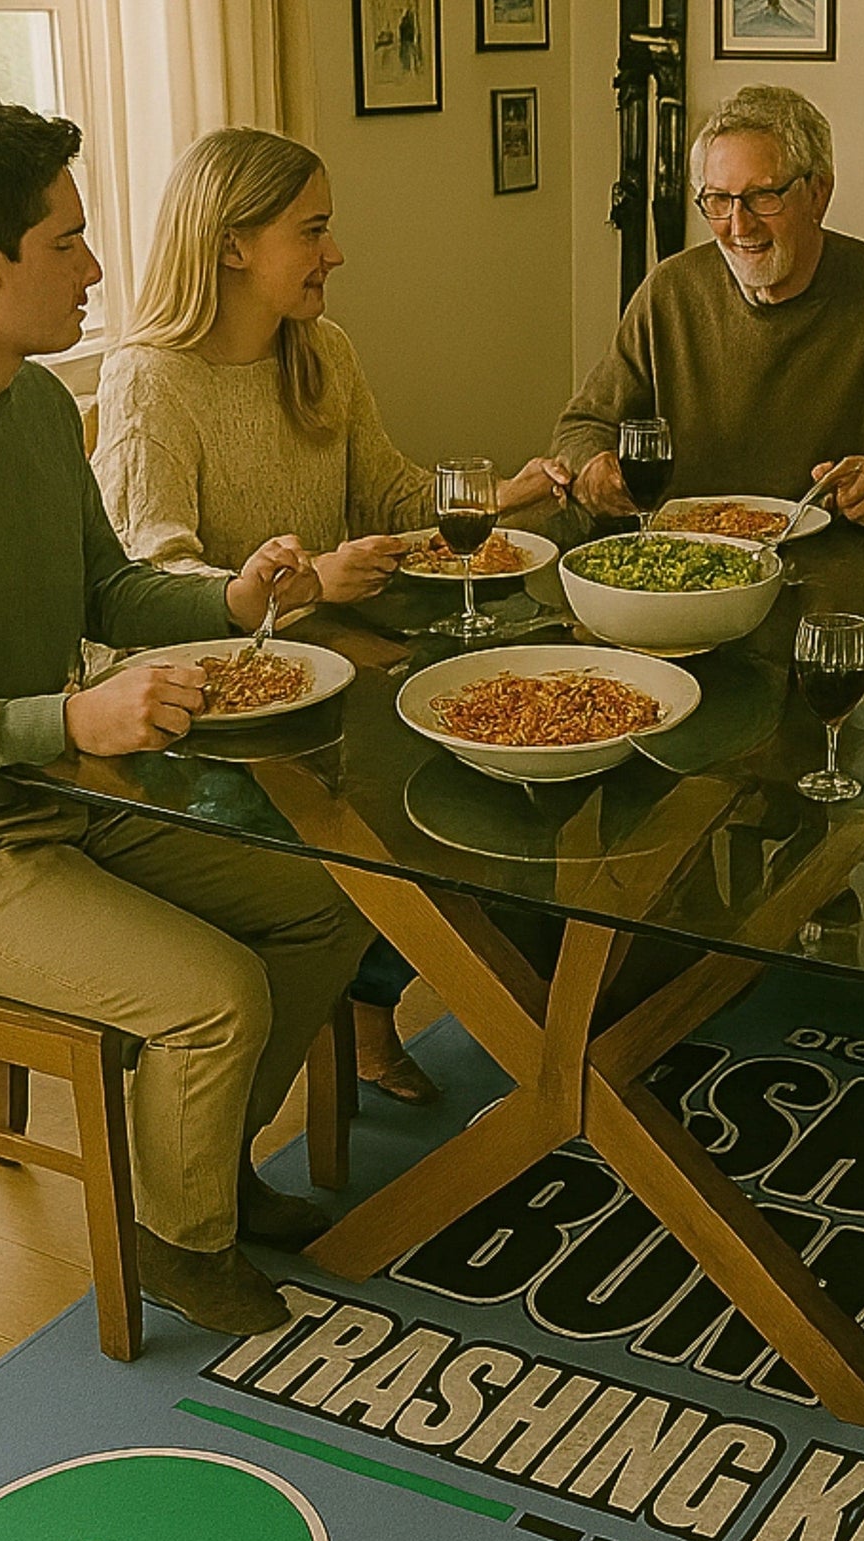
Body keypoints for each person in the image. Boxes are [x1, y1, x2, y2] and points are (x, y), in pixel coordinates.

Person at [0, 96, 374, 1336]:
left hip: (48, 800)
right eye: (68, 243)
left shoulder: (41, 408)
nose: (99, 268)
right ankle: (170, 1237)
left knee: (327, 899)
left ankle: (193, 1176)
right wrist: (65, 719)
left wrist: (229, 592)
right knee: (215, 993)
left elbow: (105, 587)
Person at [95, 125, 567, 1101]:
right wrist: (305, 582)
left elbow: (393, 497)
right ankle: (462, 1031)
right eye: (312, 230)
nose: (336, 253)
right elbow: (153, 577)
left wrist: (510, 492)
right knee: (397, 829)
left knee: (508, 784)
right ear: (231, 244)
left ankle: (549, 1037)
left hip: (339, 677)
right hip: (210, 726)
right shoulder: (150, 378)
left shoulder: (321, 352)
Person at [552, 85, 864, 534]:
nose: (739, 225)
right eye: (718, 200)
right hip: (687, 565)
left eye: (763, 197)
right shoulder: (670, 291)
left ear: (818, 193)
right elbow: (582, 425)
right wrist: (593, 467)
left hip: (834, 573)